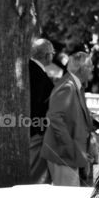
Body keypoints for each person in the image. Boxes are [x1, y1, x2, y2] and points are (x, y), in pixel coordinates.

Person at [41, 51, 95, 186]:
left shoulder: (75, 85)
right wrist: (71, 149)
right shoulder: (67, 86)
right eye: (91, 66)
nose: (93, 69)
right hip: (63, 155)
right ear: (82, 69)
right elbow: (54, 118)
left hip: (70, 155)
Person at [28, 38, 59, 182]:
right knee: (36, 176)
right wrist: (41, 128)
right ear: (47, 55)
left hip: (34, 129)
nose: (53, 56)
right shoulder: (37, 74)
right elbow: (38, 104)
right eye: (52, 53)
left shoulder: (32, 69)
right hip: (37, 132)